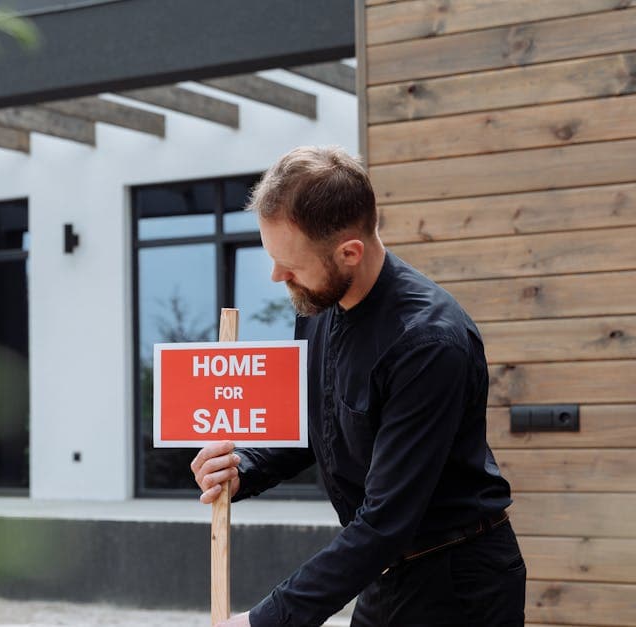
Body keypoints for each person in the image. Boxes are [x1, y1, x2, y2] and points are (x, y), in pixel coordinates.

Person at [191, 146, 524, 627]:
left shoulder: (428, 343)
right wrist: (245, 468)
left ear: (350, 252)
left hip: (460, 588)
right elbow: (318, 427)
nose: (277, 276)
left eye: (291, 264)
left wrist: (263, 620)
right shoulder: (318, 305)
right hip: (382, 573)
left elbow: (386, 519)